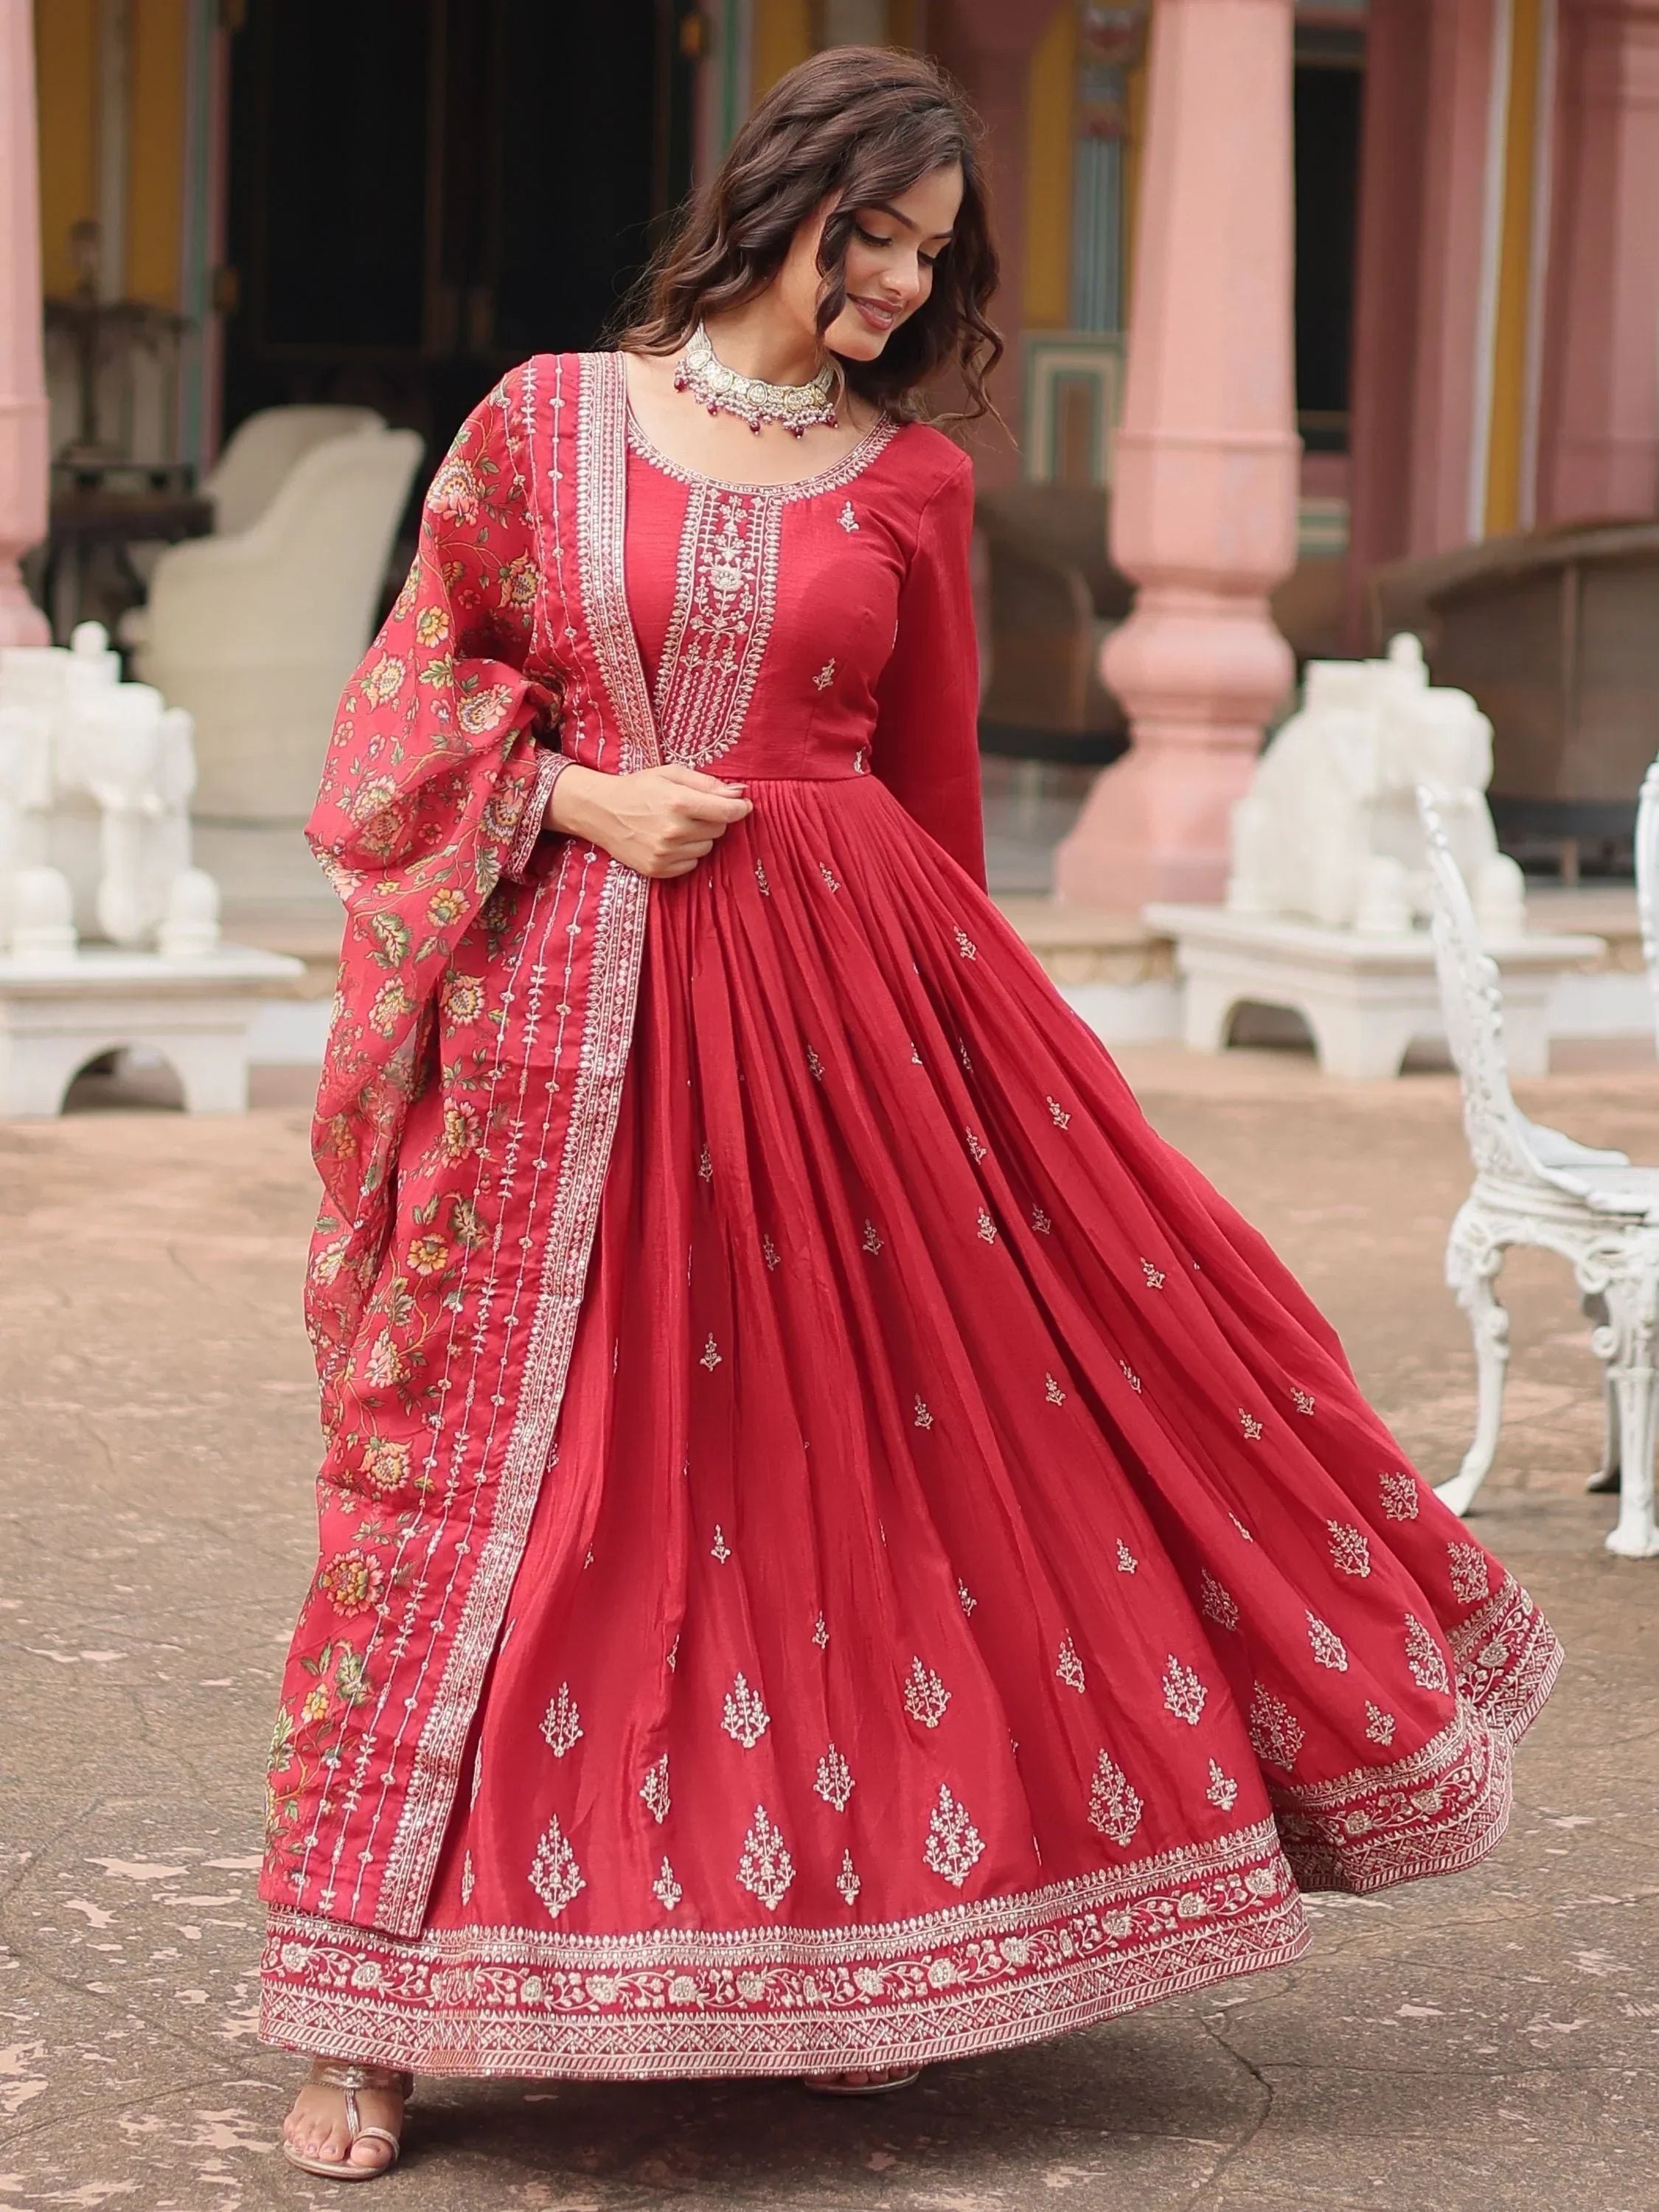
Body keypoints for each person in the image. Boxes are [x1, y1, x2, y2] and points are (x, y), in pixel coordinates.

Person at [268, 44, 1559, 2182]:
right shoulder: (548, 425)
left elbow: (930, 807)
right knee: (518, 1493)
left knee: (827, 1483)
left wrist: (976, 1103)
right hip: (570, 1032)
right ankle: (363, 2011)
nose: (889, 287)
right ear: (780, 192)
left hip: (851, 1033)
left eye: (927, 260)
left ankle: (854, 1947)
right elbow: (411, 695)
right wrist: (575, 795)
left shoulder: (912, 485)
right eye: (869, 234)